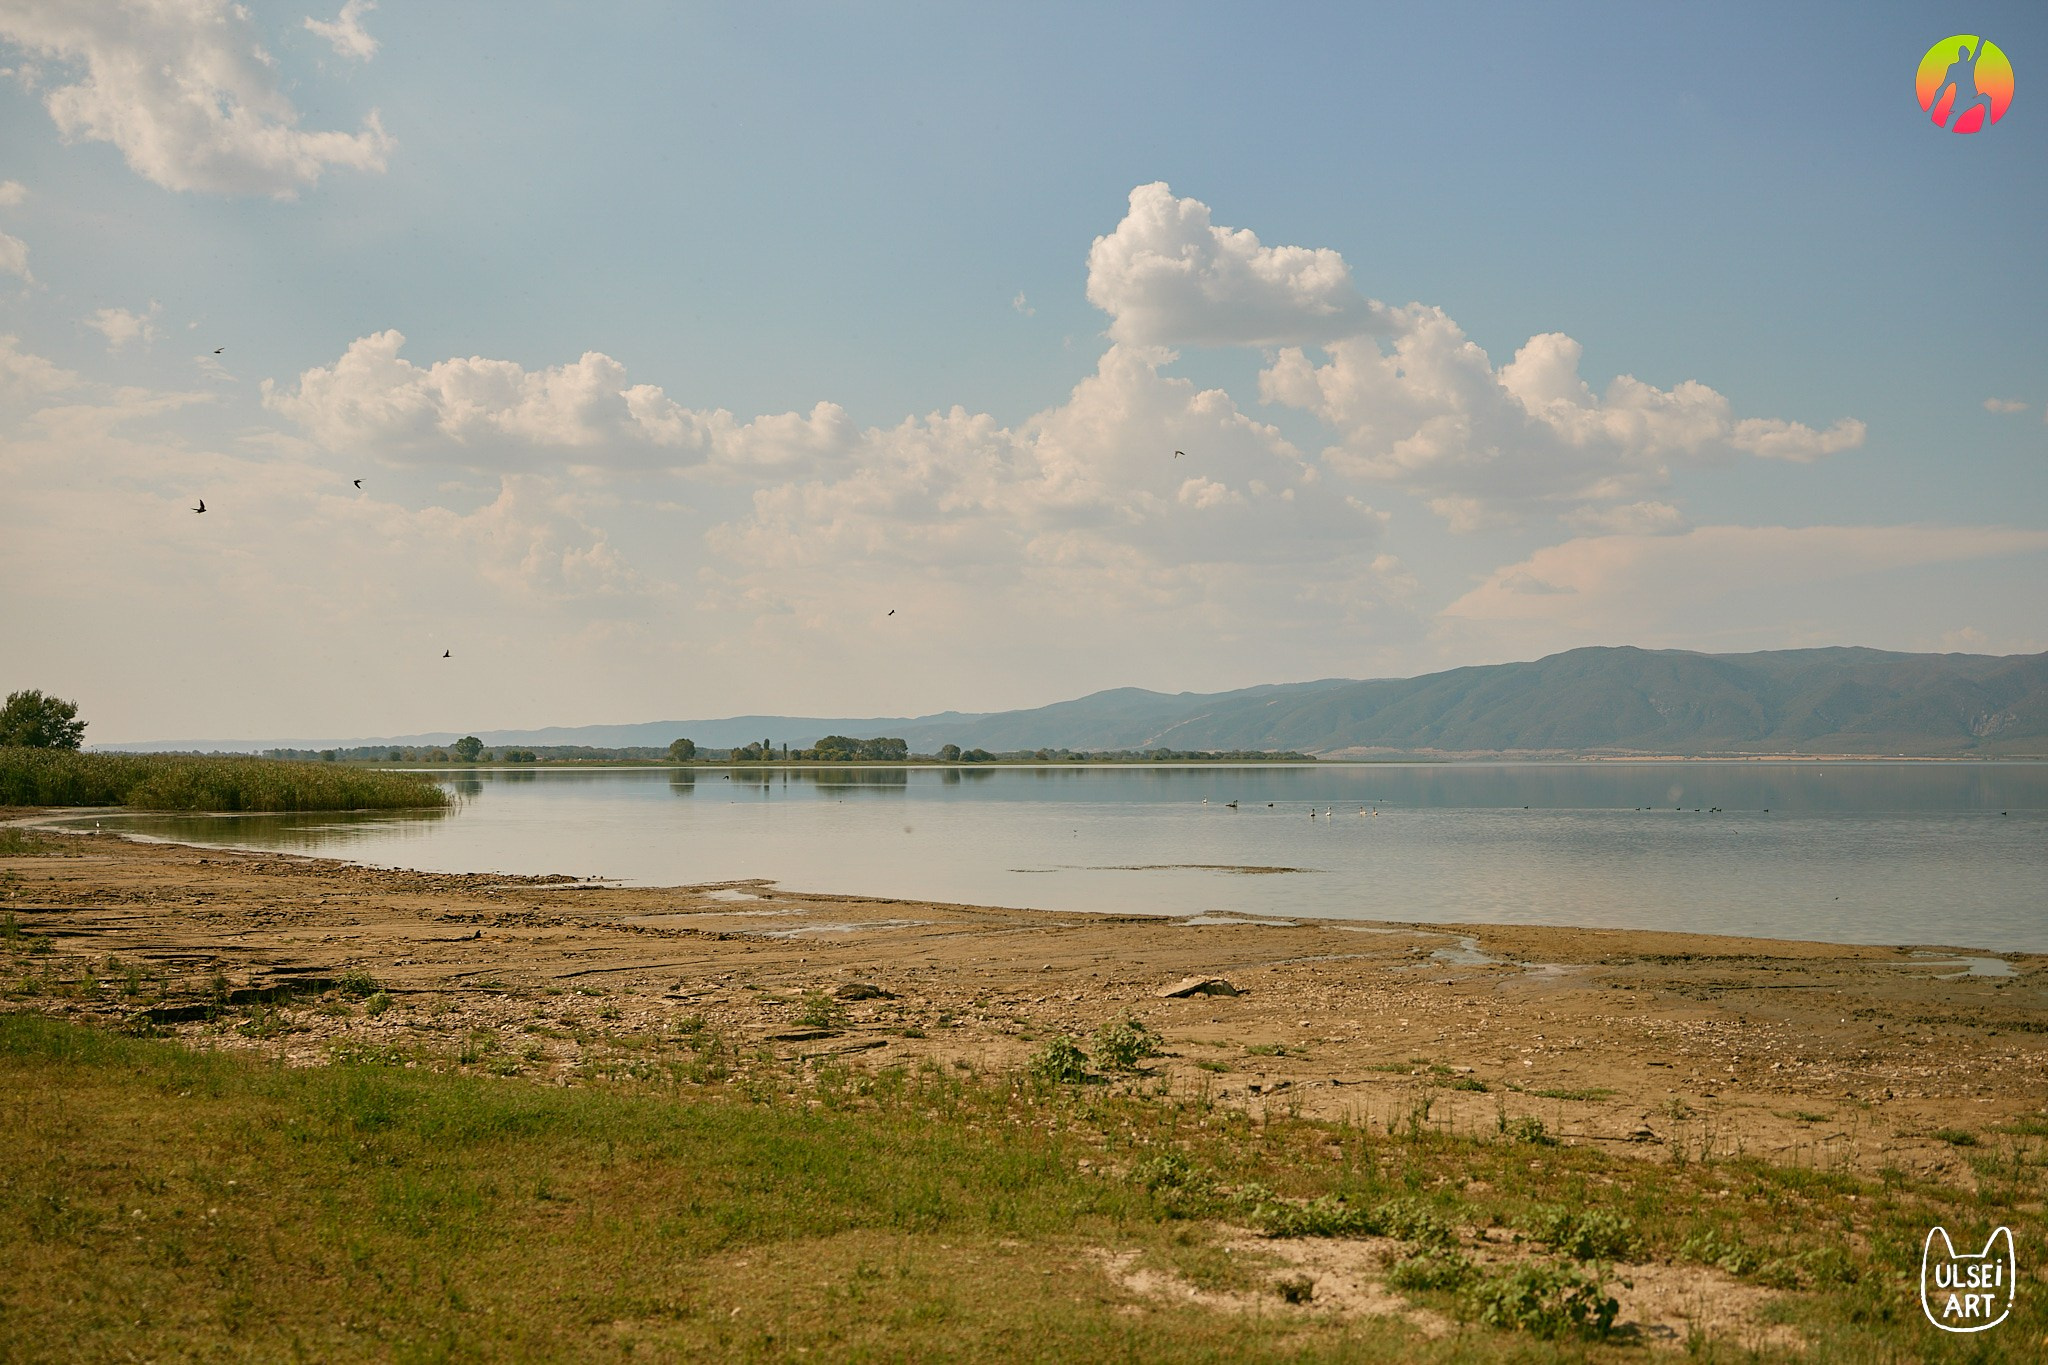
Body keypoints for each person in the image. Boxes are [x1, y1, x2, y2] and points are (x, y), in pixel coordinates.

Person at [1931, 38, 1992, 129]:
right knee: (1950, 124)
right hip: (1960, 101)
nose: (1965, 55)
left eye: (1967, 54)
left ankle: (1987, 125)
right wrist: (1933, 108)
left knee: (1986, 98)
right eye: (1964, 54)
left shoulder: (1970, 64)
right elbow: (1943, 87)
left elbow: (1978, 51)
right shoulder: (1953, 68)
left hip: (1971, 98)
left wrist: (1982, 39)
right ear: (1960, 55)